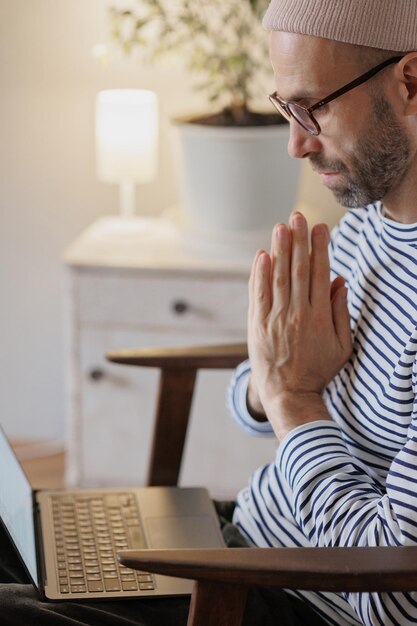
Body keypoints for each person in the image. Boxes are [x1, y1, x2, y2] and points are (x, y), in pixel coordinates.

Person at [2, 0, 417, 624]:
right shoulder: (364, 225)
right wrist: (272, 384)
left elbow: (393, 596)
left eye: (313, 107)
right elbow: (258, 394)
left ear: (410, 82)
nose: (295, 143)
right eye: (286, 107)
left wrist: (293, 402)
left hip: (280, 596)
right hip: (237, 536)